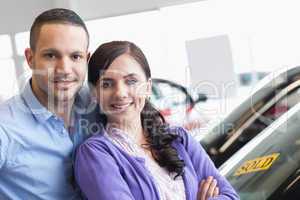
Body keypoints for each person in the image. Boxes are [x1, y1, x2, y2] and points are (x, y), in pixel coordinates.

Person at [75, 41, 239, 200]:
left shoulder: (180, 138)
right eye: (107, 84)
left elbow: (230, 196)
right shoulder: (95, 154)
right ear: (94, 93)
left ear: (147, 88)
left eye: (131, 81)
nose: (120, 93)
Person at [0, 8, 91, 199]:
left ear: (87, 59)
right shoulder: (4, 128)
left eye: (75, 56)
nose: (64, 69)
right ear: (30, 58)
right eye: (51, 55)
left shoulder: (98, 106)